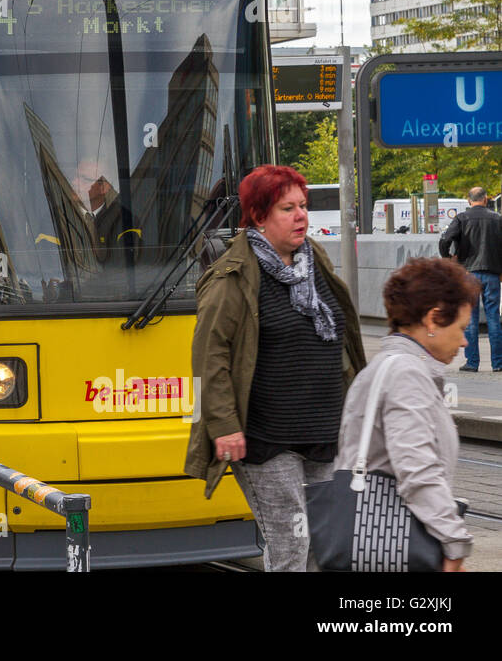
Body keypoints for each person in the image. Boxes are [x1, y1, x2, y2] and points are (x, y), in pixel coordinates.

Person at [184, 165, 367, 571]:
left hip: (325, 434)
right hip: (268, 440)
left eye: (303, 205)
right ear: (259, 217)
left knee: (330, 545)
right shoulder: (233, 276)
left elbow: (342, 340)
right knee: (291, 546)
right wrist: (224, 425)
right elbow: (209, 356)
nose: (302, 215)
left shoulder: (313, 261)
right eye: (288, 208)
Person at [334, 257, 477, 570]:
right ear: (433, 318)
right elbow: (417, 468)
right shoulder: (405, 374)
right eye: (462, 328)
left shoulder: (389, 366)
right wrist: (454, 541)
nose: (465, 341)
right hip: (390, 543)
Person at [437, 186, 502, 372]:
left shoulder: (462, 218)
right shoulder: (497, 219)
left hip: (468, 274)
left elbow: (444, 240)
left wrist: (449, 260)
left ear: (469, 200)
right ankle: (498, 363)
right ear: (486, 199)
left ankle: (472, 363)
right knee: (493, 318)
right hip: (491, 273)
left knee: (470, 319)